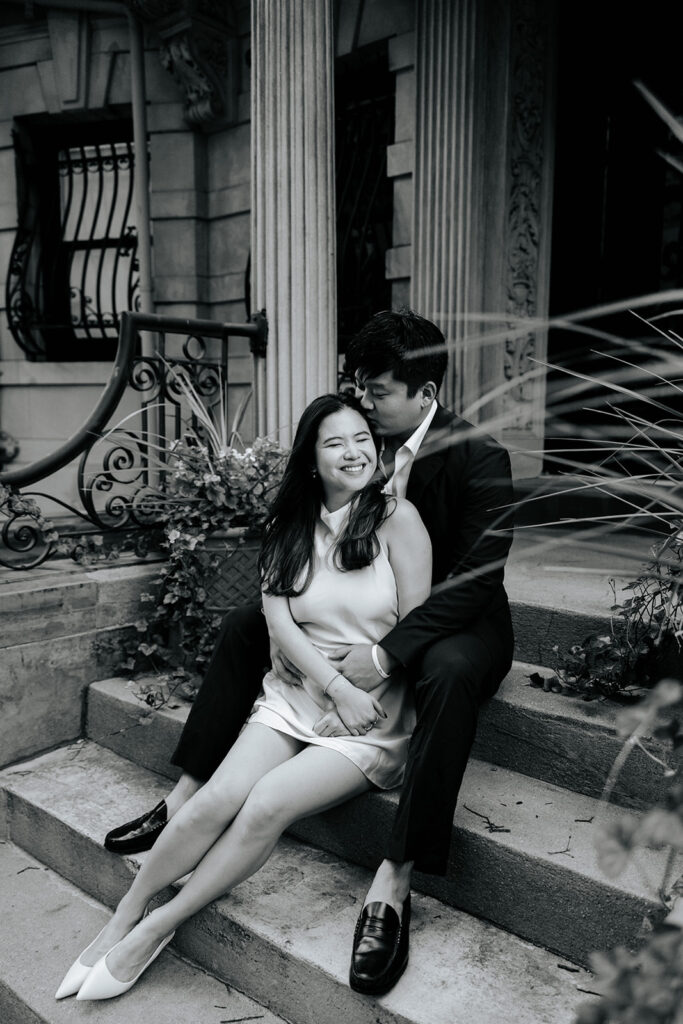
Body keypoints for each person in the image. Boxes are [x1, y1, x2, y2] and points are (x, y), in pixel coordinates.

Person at [104, 309, 515, 996]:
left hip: (457, 619)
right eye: (358, 387)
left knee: (445, 672)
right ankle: (188, 796)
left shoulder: (479, 457)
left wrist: (382, 658)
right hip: (367, 609)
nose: (363, 403)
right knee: (247, 622)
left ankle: (396, 877)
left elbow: (475, 581)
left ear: (425, 393)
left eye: (377, 392)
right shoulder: (357, 442)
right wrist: (305, 648)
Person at [57, 393, 431, 1001]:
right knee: (215, 798)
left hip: (372, 714)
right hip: (300, 694)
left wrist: (354, 695)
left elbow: (417, 628)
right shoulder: (289, 524)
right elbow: (280, 624)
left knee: (264, 805)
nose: (354, 452)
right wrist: (330, 686)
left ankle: (158, 926)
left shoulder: (398, 519)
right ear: (311, 458)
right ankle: (125, 912)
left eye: (362, 438)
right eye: (335, 442)